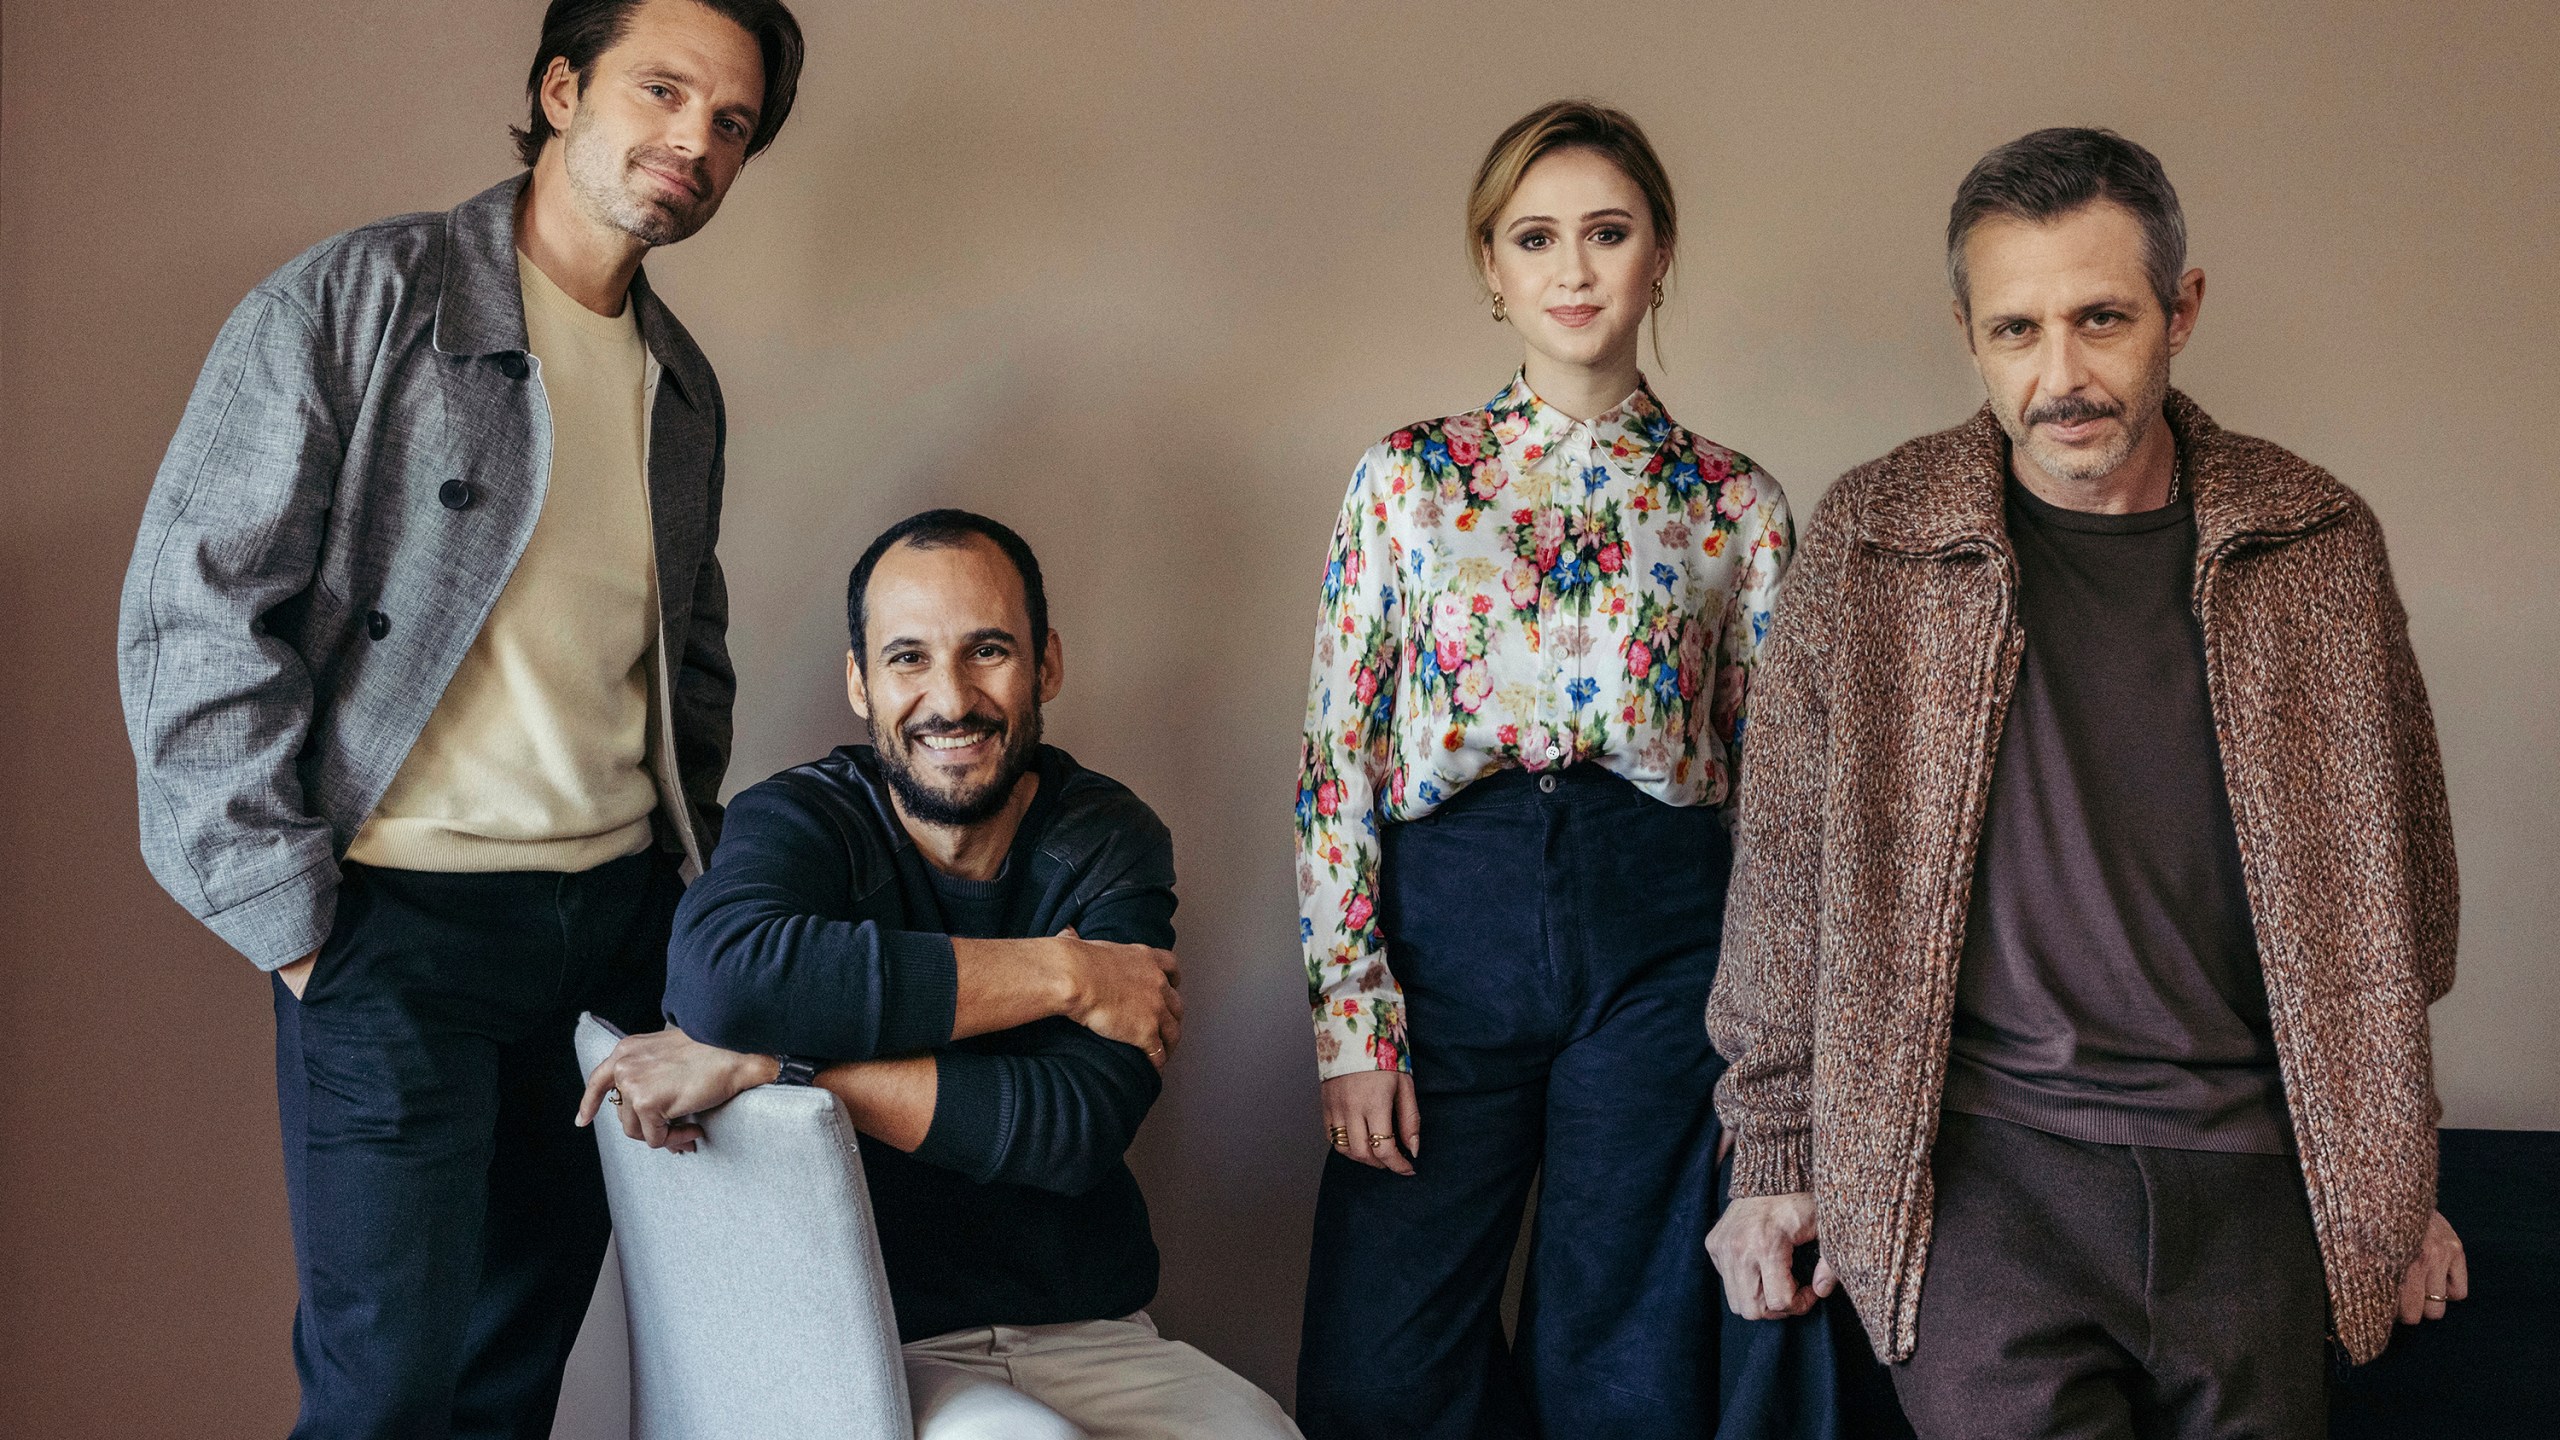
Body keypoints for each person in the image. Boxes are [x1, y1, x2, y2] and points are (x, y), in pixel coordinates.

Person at [1705, 127, 2468, 1439]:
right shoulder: (1874, 540)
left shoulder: (2317, 545)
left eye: (2101, 318)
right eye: (2016, 330)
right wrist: (1774, 1157)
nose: (2060, 375)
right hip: (1984, 1178)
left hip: (2255, 1182)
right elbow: (1784, 871)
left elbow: (2412, 898)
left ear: (2183, 310)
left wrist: (2385, 1181)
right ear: (1968, 334)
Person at [114, 1, 802, 1432]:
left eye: (731, 121)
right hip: (392, 939)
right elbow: (195, 610)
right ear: (561, 87)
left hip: (605, 944)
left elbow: (690, 655)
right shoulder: (359, 301)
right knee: (385, 1395)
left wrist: (680, 891)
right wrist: (295, 925)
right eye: (663, 91)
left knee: (510, 1378)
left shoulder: (683, 388)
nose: (695, 141)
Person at [1290, 100, 1806, 1438]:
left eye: (1607, 232)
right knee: (1385, 1357)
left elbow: (1780, 805)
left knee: (1624, 1344)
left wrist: (1768, 1044)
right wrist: (1355, 1021)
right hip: (1446, 925)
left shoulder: (1735, 504)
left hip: (1661, 935)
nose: (1573, 269)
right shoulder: (1407, 481)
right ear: (1492, 269)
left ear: (1659, 256)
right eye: (1537, 237)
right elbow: (1334, 756)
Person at [581, 510, 1301, 1439]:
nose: (951, 699)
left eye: (988, 650)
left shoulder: (1109, 840)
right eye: (909, 658)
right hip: (873, 1345)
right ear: (860, 682)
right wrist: (1063, 974)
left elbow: (1073, 1126)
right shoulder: (804, 821)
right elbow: (723, 986)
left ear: (1046, 665)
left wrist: (785, 1068)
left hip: (1090, 1332)